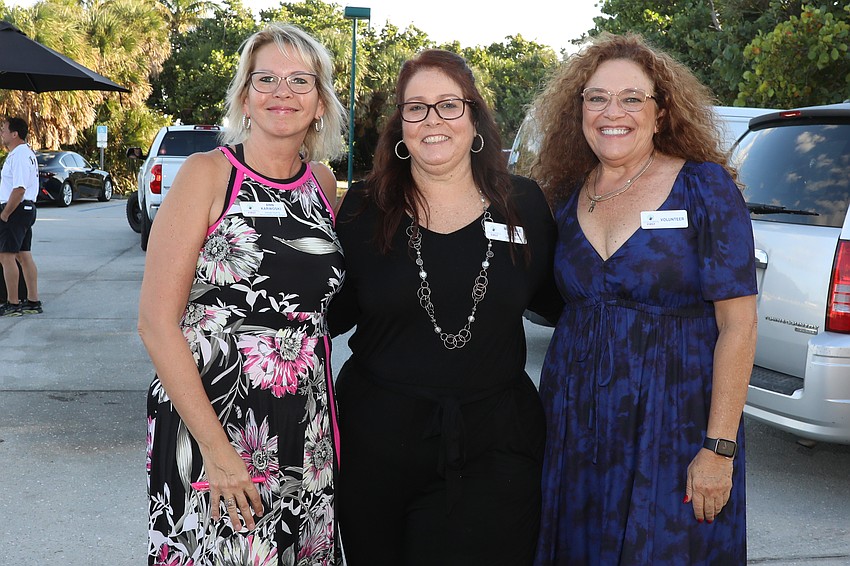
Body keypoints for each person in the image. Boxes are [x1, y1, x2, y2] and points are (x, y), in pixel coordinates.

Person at [530, 33, 757, 565]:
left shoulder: (704, 189)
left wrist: (719, 448)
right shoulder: (563, 198)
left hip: (676, 425)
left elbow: (740, 326)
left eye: (632, 98)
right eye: (597, 97)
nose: (614, 112)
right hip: (576, 430)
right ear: (578, 109)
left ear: (661, 113)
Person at [329, 49, 562, 565]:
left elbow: (567, 301)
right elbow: (329, 310)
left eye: (448, 105)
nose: (432, 120)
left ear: (474, 117)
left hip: (496, 445)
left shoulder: (524, 205)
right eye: (416, 108)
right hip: (378, 445)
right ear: (400, 125)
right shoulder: (365, 207)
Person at [138, 22, 346, 565]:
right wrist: (219, 452)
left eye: (301, 80)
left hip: (305, 420)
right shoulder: (206, 175)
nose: (283, 92)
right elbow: (157, 323)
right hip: (215, 417)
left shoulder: (322, 184)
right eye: (267, 79)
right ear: (244, 97)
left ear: (320, 103)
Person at [0, 116, 42, 317]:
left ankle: (13, 303)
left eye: (4, 129)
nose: (2, 133)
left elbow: (19, 188)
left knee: (6, 256)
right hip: (24, 209)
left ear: (15, 133)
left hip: (16, 210)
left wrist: (5, 213)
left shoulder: (19, 155)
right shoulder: (24, 154)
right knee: (23, 255)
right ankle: (33, 301)